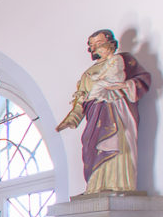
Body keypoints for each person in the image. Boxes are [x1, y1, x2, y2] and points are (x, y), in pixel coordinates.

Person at [56, 29, 151, 194]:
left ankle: (122, 184)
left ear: (110, 43)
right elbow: (81, 100)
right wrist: (72, 118)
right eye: (93, 45)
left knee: (119, 144)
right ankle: (96, 186)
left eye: (99, 43)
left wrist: (122, 86)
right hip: (96, 113)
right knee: (92, 146)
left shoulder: (123, 60)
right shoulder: (88, 74)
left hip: (118, 110)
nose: (97, 48)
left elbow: (142, 79)